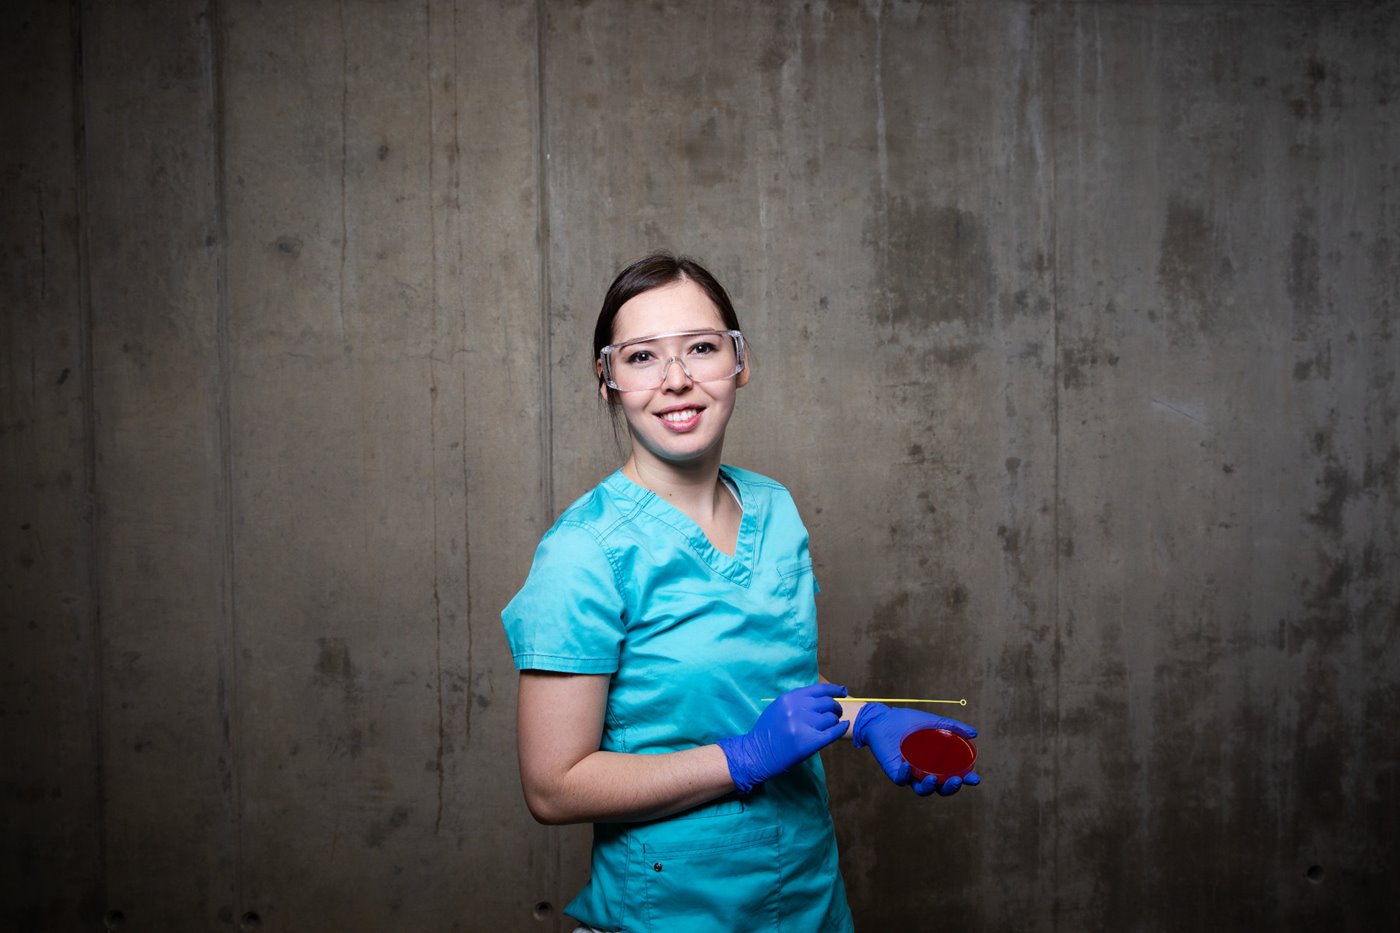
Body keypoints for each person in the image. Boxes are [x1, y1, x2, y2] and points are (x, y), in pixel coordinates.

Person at [500, 253, 980, 933]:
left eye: (700, 347)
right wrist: (743, 757)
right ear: (607, 380)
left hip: (808, 897)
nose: (676, 380)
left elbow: (775, 684)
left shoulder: (774, 507)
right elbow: (553, 785)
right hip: (670, 912)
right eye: (641, 357)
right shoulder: (583, 552)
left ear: (739, 361)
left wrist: (866, 718)